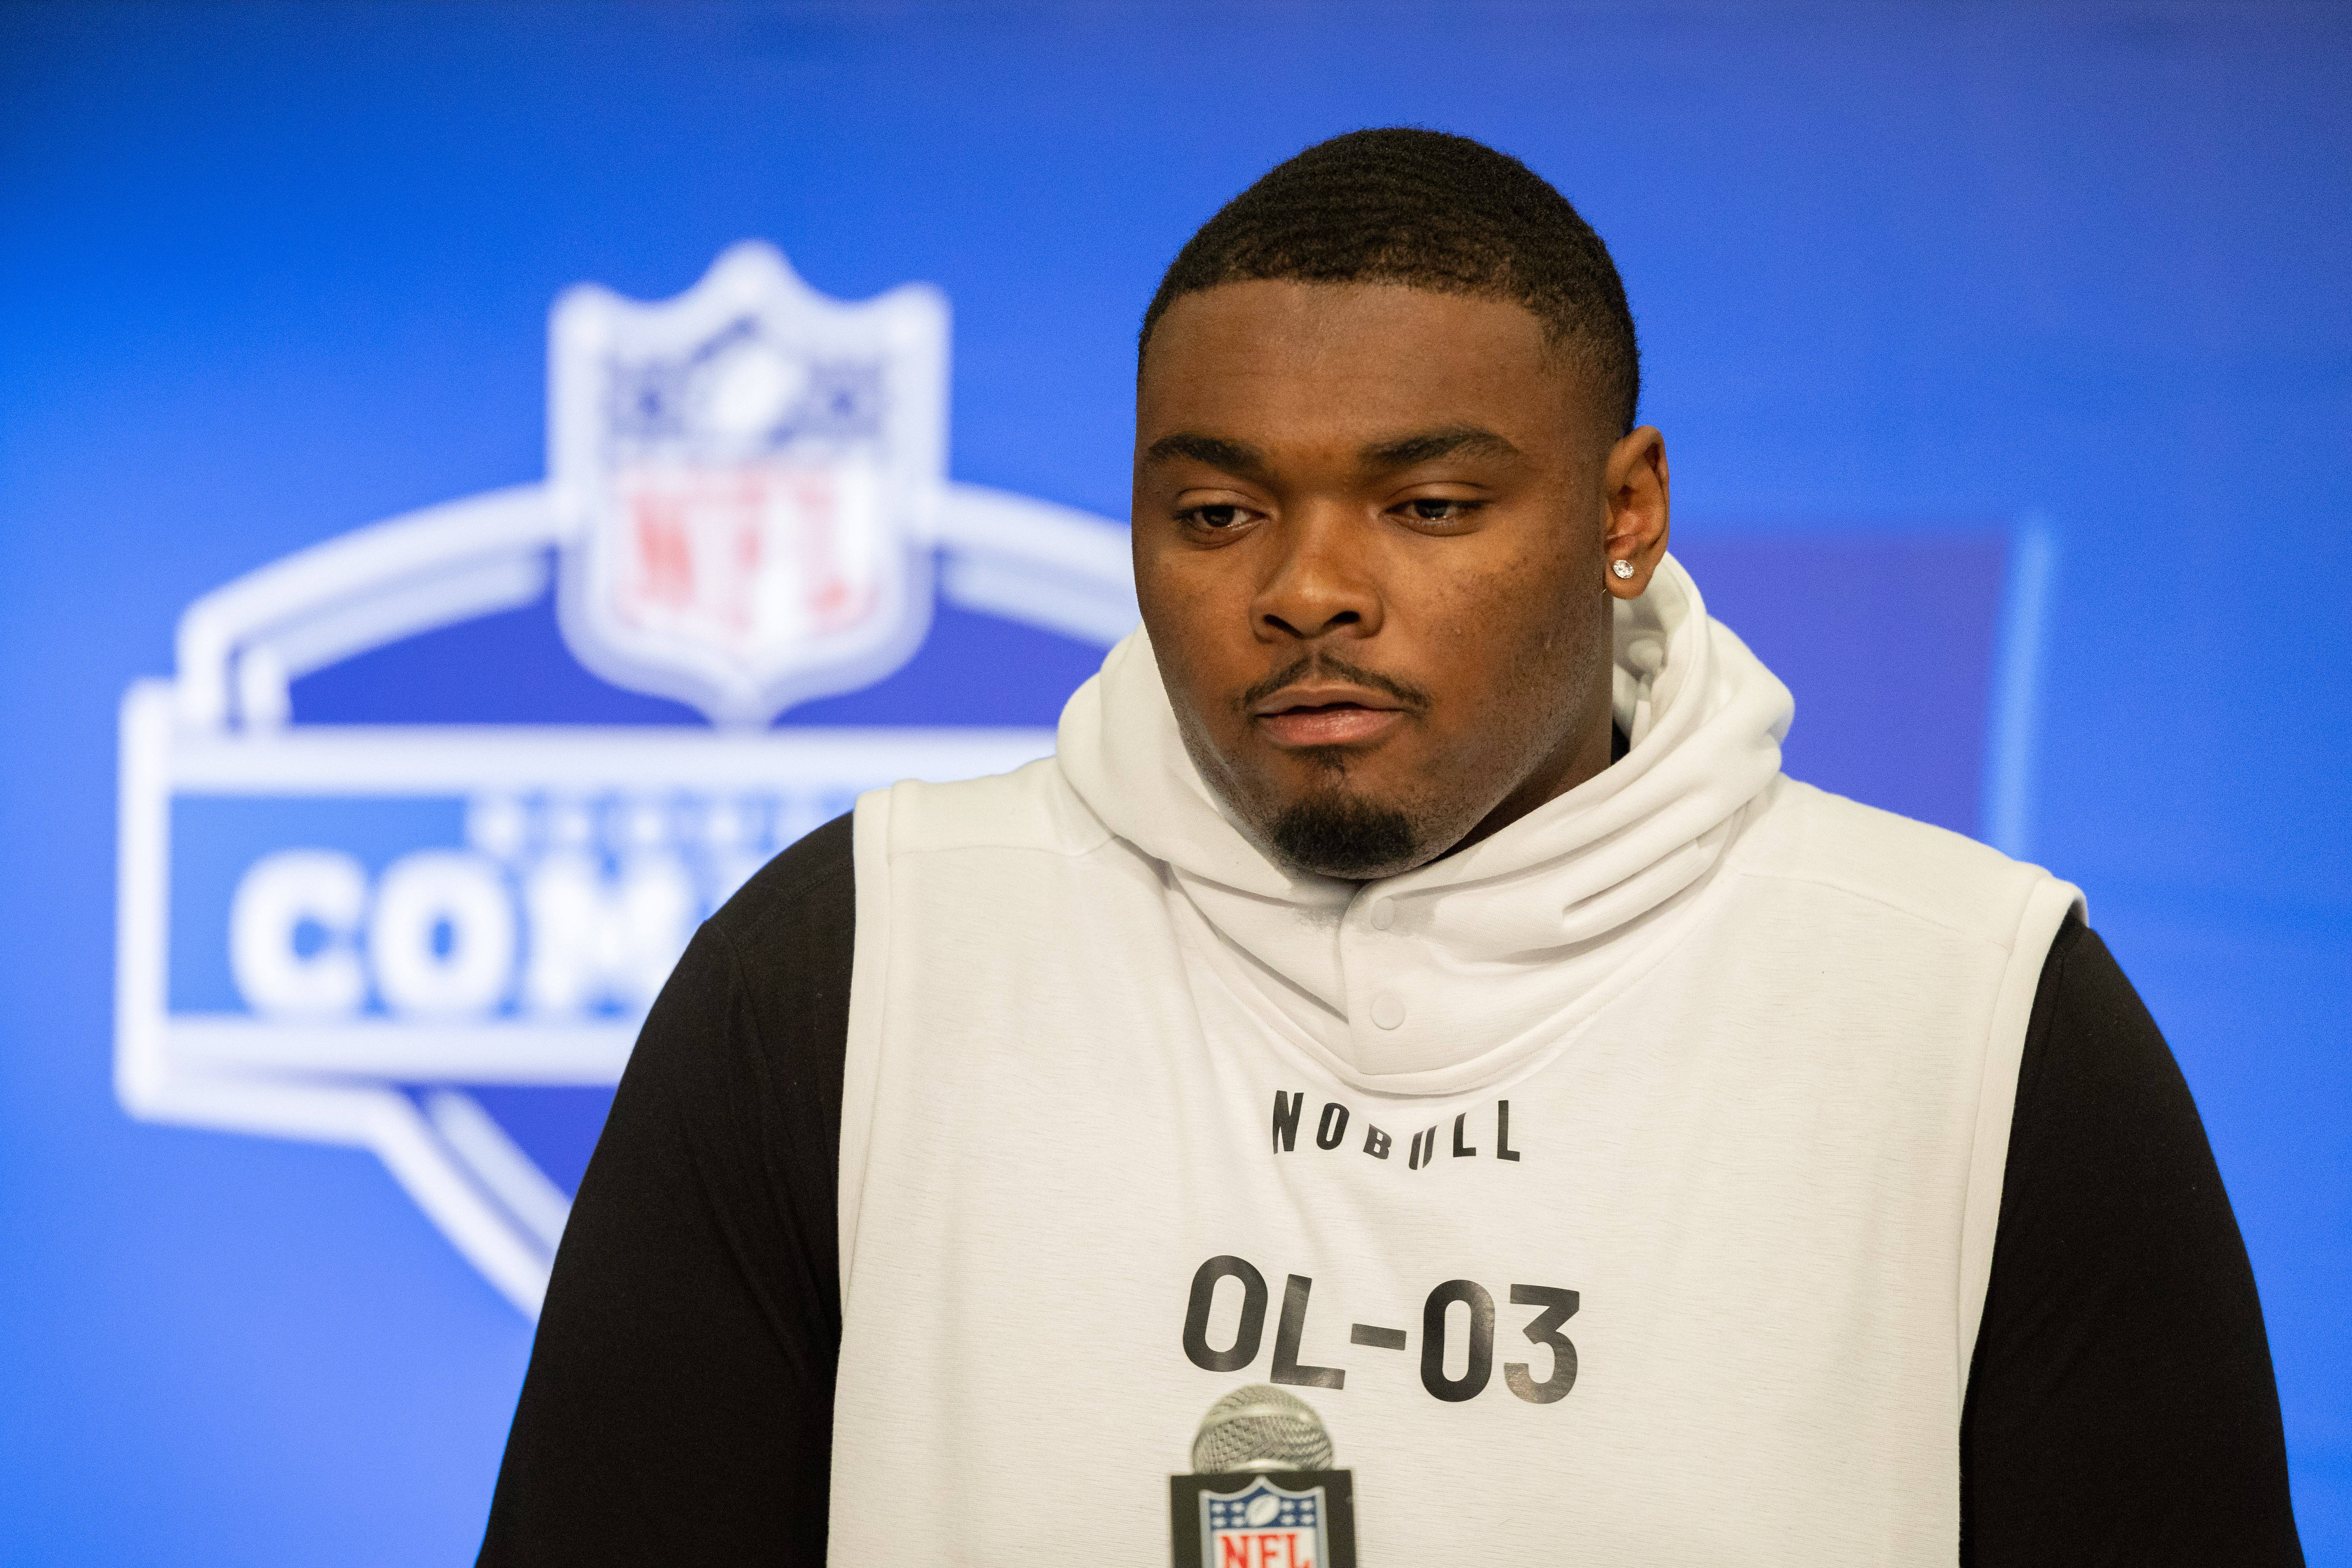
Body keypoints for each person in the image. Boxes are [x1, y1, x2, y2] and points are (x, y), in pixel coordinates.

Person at [477, 128, 2300, 1565]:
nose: (1309, 590)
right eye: (1215, 510)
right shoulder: (856, 959)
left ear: (1625, 511)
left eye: (1430, 506)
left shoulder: (1969, 1007)